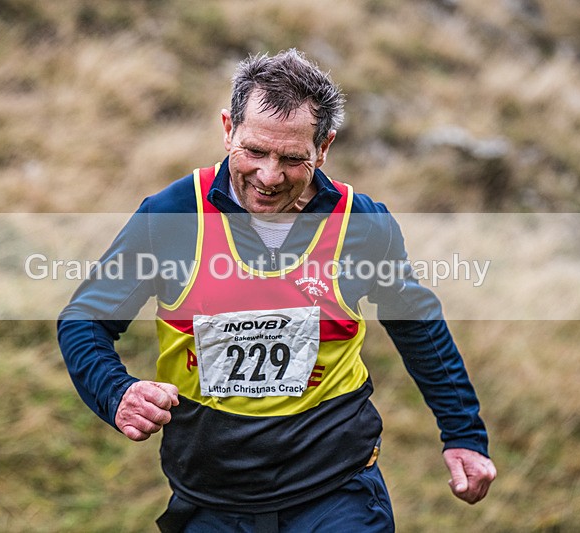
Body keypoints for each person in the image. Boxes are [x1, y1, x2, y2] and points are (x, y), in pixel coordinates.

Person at [58, 48, 496, 532]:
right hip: (211, 498)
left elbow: (419, 326)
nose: (269, 177)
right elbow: (85, 321)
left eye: (292, 159)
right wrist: (116, 392)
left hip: (337, 491)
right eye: (254, 151)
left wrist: (464, 434)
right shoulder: (172, 216)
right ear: (228, 129)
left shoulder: (362, 226)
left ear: (324, 147)